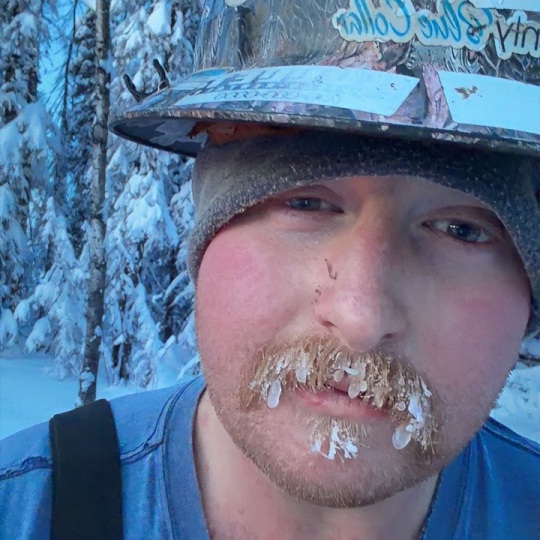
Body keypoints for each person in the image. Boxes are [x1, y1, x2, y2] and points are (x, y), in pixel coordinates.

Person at [2, 1, 540, 538]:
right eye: (305, 203)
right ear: (208, 233)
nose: (361, 319)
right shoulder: (24, 512)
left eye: (461, 230)